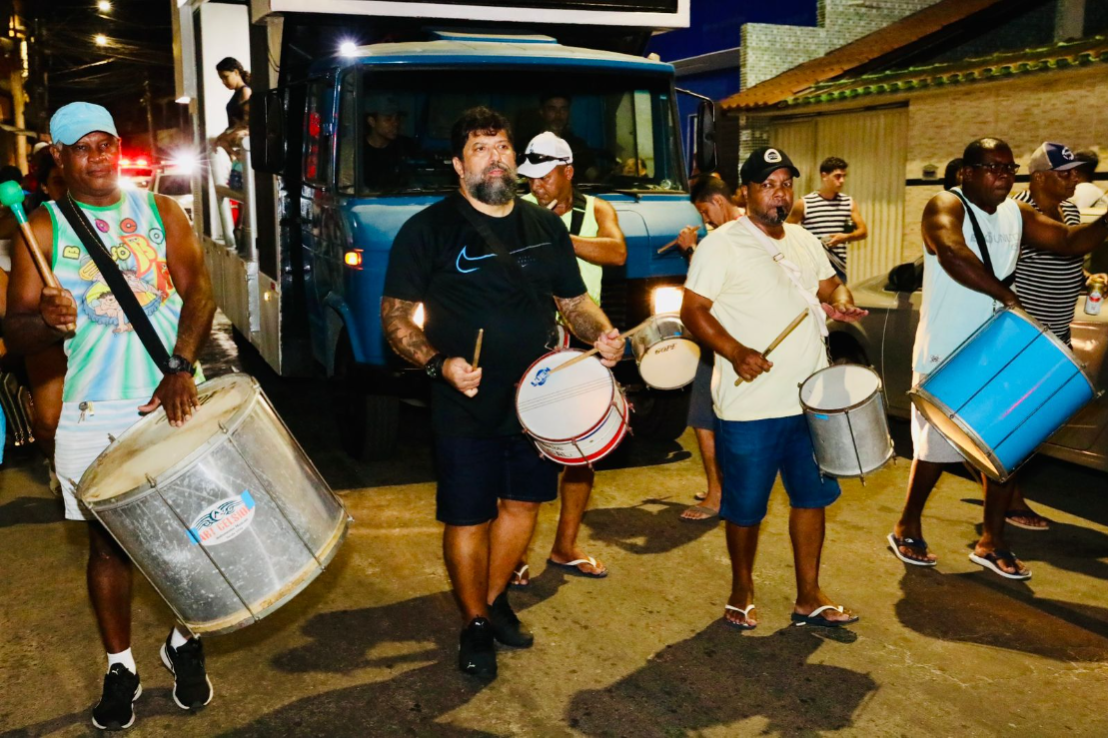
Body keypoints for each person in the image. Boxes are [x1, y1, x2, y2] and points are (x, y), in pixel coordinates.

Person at [381, 107, 623, 678]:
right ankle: (475, 622)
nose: (495, 157)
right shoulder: (429, 228)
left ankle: (487, 607)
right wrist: (440, 364)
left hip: (540, 396)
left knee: (522, 504)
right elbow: (394, 321)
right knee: (468, 516)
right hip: (465, 398)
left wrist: (603, 333)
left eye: (502, 146)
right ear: (458, 165)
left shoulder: (545, 227)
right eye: (481, 148)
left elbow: (573, 302)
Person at [5, 102, 217, 730]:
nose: (99, 155)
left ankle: (184, 641)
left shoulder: (160, 211)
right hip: (91, 406)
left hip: (170, 393)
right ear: (61, 160)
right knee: (108, 548)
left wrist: (181, 365)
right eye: (83, 147)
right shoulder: (42, 230)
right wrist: (44, 317)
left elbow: (199, 292)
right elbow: (13, 333)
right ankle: (121, 664)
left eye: (107, 143)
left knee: (189, 536)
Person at [890, 137, 1108, 579]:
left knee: (1006, 444)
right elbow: (953, 253)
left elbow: (1067, 241)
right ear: (967, 173)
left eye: (1008, 169)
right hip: (947, 346)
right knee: (935, 448)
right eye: (992, 167)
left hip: (996, 346)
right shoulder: (944, 206)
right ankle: (907, 523)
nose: (1002, 176)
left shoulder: (1016, 212)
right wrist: (1009, 296)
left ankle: (992, 541)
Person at [681, 146, 868, 630]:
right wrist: (735, 351)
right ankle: (741, 589)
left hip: (809, 401)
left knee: (812, 498)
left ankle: (809, 594)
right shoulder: (720, 244)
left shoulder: (805, 241)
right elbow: (693, 311)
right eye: (768, 184)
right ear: (745, 191)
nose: (778, 193)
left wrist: (842, 302)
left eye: (785, 183)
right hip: (750, 406)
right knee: (745, 508)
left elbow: (830, 287)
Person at [510, 131, 627, 582]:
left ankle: (565, 545)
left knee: (581, 453)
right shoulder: (517, 210)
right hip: (531, 342)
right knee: (526, 451)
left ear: (568, 172)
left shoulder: (596, 210)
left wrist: (558, 238)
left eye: (544, 177)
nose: (536, 186)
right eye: (531, 178)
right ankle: (514, 553)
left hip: (582, 340)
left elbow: (616, 252)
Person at [675, 175, 743, 522]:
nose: (705, 220)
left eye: (705, 211)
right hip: (744, 340)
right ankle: (726, 488)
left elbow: (703, 292)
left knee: (704, 418)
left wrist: (690, 249)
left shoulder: (720, 238)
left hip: (719, 338)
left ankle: (716, 496)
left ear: (717, 201)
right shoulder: (755, 227)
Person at [787, 156, 868, 281]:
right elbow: (786, 231)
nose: (841, 181)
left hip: (837, 268)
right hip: (812, 267)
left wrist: (845, 237)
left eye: (844, 176)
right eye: (837, 176)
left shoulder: (848, 202)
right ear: (824, 176)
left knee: (839, 300)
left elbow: (863, 231)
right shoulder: (805, 203)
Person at [362, 95, 417, 190]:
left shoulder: (406, 146)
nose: (395, 123)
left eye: (397, 118)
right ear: (372, 121)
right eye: (388, 119)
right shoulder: (358, 149)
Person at [213, 57, 251, 158]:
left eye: (226, 77)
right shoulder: (238, 93)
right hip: (234, 135)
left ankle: (236, 156)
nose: (223, 82)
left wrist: (228, 136)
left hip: (242, 134)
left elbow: (247, 121)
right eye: (221, 78)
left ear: (236, 72)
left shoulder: (245, 91)